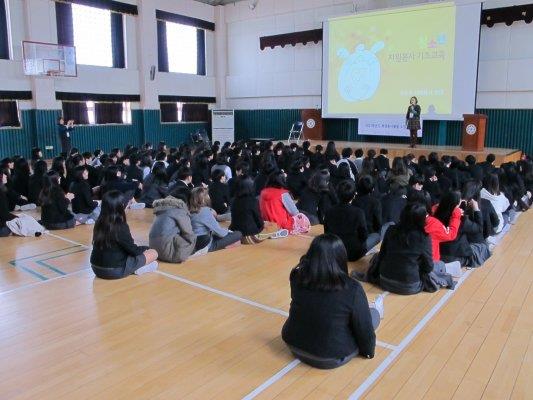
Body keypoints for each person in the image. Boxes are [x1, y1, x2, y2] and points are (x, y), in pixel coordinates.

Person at [281, 234, 384, 369]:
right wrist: (368, 352)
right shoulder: (352, 288)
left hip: (293, 343)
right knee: (372, 315)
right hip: (330, 355)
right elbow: (364, 329)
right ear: (341, 257)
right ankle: (376, 308)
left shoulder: (297, 276)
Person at [90, 190, 159, 279]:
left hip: (95, 267)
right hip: (114, 270)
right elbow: (133, 250)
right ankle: (136, 269)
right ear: (121, 206)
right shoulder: (120, 226)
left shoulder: (99, 222)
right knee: (154, 253)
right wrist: (146, 249)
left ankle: (137, 267)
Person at [373, 203, 434, 295]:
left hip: (384, 280)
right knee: (438, 266)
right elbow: (429, 267)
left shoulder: (391, 229)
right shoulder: (423, 237)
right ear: (421, 219)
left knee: (375, 257)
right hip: (409, 286)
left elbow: (382, 255)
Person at [324, 180, 379, 261]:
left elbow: (326, 232)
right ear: (354, 196)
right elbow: (364, 235)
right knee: (376, 236)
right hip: (353, 254)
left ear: (337, 194)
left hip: (334, 251)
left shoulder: (329, 211)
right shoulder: (358, 213)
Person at [190, 187, 242, 254]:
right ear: (203, 199)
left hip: (193, 243)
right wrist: (228, 231)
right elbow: (221, 233)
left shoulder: (189, 211)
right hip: (206, 245)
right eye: (207, 195)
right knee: (238, 234)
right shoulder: (205, 211)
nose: (209, 197)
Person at [148, 194, 196, 263]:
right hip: (166, 251)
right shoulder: (179, 210)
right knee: (196, 238)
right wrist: (193, 244)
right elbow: (188, 232)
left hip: (153, 248)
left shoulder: (162, 207)